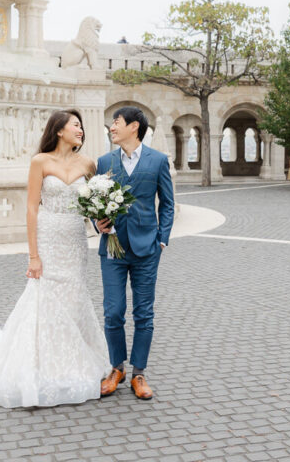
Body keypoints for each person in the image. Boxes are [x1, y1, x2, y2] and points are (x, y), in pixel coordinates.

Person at [0, 109, 110, 408]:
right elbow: (32, 208)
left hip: (74, 238)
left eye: (81, 126)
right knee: (45, 297)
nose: (81, 130)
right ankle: (42, 363)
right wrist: (33, 255)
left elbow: (93, 206)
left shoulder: (88, 164)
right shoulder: (40, 162)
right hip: (48, 235)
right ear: (59, 130)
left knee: (73, 296)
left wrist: (102, 222)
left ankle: (73, 357)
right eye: (75, 125)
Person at [95, 106, 175, 400]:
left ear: (134, 127)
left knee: (144, 314)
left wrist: (162, 240)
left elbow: (167, 204)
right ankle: (116, 368)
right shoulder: (104, 161)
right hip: (113, 250)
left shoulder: (158, 161)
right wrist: (97, 223)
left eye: (116, 123)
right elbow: (96, 202)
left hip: (146, 249)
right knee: (113, 311)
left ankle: (138, 373)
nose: (112, 128)